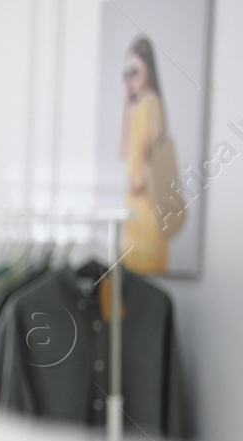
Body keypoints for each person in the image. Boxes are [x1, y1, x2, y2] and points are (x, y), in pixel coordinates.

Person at [120, 34, 173, 273]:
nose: (132, 78)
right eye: (128, 72)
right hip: (134, 210)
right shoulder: (137, 105)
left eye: (136, 71)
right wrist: (126, 98)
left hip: (146, 208)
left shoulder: (150, 103)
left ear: (148, 71)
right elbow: (124, 150)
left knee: (139, 286)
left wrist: (138, 181)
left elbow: (154, 151)